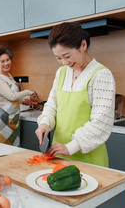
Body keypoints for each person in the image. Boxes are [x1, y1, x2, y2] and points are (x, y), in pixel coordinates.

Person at [35, 22, 115, 167]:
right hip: (58, 155)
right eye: (58, 58)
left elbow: (101, 123)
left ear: (83, 45)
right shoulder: (62, 73)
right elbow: (52, 104)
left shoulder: (101, 75)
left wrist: (71, 147)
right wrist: (44, 123)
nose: (64, 62)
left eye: (67, 56)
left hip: (89, 159)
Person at [0, 46, 35, 146]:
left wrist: (23, 101)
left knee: (15, 150)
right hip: (5, 121)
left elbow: (9, 97)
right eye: (2, 61)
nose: (6, 63)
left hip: (14, 118)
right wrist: (28, 92)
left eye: (8, 60)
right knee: (5, 152)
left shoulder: (8, 75)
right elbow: (12, 96)